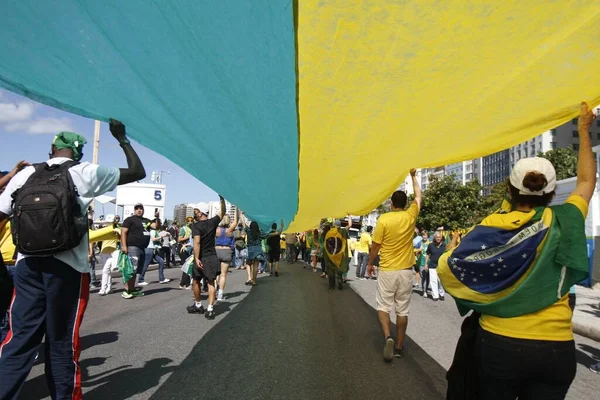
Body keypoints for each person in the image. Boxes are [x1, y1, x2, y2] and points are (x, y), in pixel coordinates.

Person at [439, 102, 596, 400]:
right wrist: (584, 130)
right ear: (550, 193)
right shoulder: (565, 218)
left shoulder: (490, 225)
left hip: (500, 345)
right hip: (556, 349)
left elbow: (450, 269)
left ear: (509, 190)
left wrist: (449, 252)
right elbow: (587, 181)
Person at [0, 121, 145, 399]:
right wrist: (122, 138)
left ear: (52, 148)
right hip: (67, 268)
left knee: (18, 340)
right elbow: (138, 171)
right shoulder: (84, 172)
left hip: (27, 265)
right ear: (77, 153)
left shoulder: (26, 173)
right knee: (61, 341)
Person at [368, 168, 421, 361]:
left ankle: (388, 336)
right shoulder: (410, 216)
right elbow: (419, 197)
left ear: (391, 204)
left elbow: (375, 246)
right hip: (406, 271)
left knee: (383, 307)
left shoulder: (383, 219)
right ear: (405, 204)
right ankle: (399, 347)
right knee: (402, 310)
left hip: (388, 270)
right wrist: (414, 177)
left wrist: (370, 264)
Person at [188, 198, 226, 320]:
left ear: (202, 212)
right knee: (210, 282)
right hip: (211, 257)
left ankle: (199, 305)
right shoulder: (213, 222)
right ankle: (209, 308)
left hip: (202, 257)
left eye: (196, 211)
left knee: (196, 281)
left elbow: (197, 242)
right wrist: (222, 199)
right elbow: (223, 212)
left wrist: (196, 258)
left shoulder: (196, 226)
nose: (195, 213)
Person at [242, 215, 284, 285]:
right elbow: (275, 233)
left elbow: (244, 224)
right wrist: (282, 226)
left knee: (248, 264)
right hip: (258, 250)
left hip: (250, 250)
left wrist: (241, 215)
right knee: (255, 266)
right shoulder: (260, 233)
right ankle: (254, 281)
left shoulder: (248, 231)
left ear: (250, 226)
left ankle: (249, 278)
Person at [121, 203, 151, 297]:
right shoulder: (129, 220)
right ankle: (126, 290)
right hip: (132, 247)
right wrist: (124, 246)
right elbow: (123, 232)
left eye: (141, 208)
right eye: (137, 208)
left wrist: (157, 218)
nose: (139, 210)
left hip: (142, 248)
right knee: (131, 269)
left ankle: (132, 289)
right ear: (134, 210)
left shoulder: (146, 221)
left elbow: (156, 226)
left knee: (137, 270)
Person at [215, 210, 239, 302]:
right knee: (223, 275)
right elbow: (236, 221)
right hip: (227, 251)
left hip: (216, 250)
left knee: (215, 274)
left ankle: (214, 291)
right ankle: (220, 294)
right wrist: (237, 210)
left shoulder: (216, 230)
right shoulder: (230, 230)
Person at [323, 219, 352, 290]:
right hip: (339, 254)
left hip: (330, 255)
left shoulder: (329, 232)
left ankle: (331, 286)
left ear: (334, 225)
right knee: (339, 268)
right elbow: (350, 225)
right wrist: (349, 216)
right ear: (340, 225)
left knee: (331, 271)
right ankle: (339, 281)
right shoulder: (343, 231)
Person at [424, 232, 445, 301]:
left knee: (440, 281)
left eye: (439, 237)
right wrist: (426, 264)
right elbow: (427, 254)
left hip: (441, 266)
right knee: (433, 281)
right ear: (434, 238)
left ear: (441, 238)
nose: (438, 238)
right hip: (432, 265)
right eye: (437, 237)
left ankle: (441, 294)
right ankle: (435, 296)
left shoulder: (444, 246)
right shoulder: (431, 245)